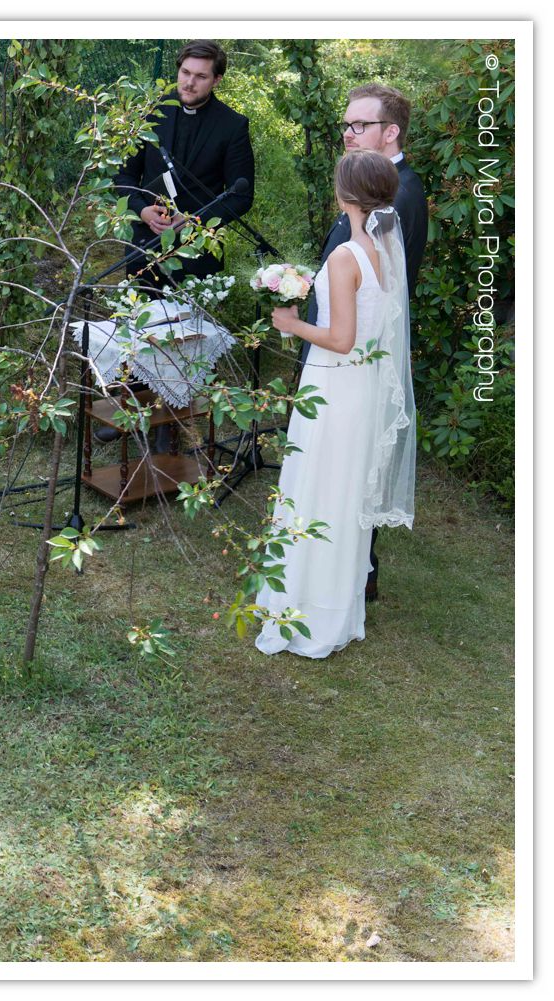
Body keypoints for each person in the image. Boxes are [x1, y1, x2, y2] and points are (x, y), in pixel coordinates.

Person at [257, 151, 416, 659]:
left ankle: (306, 611)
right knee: (342, 496)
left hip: (334, 385)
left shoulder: (347, 254)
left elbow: (342, 338)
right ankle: (334, 609)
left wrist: (292, 324)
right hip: (360, 389)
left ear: (345, 193)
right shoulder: (383, 250)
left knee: (317, 490)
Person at [300, 83, 429, 600]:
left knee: (350, 464)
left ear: (390, 131)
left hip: (354, 354)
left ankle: (353, 571)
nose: (349, 135)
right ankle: (343, 568)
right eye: (347, 125)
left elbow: (390, 283)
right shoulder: (374, 184)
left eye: (360, 125)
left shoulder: (401, 191)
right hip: (343, 346)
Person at [113, 39, 256, 286]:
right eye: (185, 72)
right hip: (146, 245)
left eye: (201, 76)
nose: (189, 83)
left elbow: (241, 196)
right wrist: (142, 211)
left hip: (198, 252)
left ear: (216, 80)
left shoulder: (233, 126)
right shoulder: (150, 111)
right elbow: (124, 176)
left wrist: (194, 221)